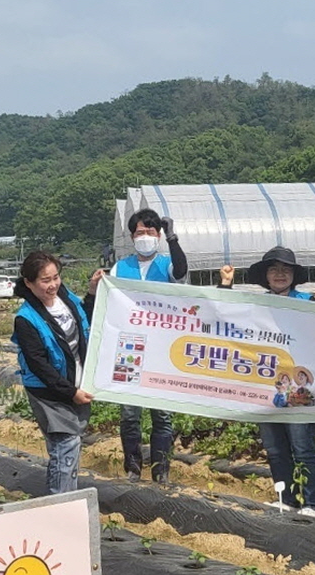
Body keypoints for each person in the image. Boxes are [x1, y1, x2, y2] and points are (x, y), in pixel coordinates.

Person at [218, 246, 315, 517]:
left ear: (294, 275)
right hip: (265, 386)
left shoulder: (308, 302)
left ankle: (311, 504)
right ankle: (286, 498)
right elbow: (223, 315)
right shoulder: (256, 305)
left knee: (303, 447)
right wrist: (225, 285)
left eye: (286, 270)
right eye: (274, 270)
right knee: (275, 448)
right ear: (266, 276)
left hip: (298, 387)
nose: (280, 275)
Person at [110, 208, 188, 482]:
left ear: (159, 235)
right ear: (132, 237)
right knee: (130, 415)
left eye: (150, 232)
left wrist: (173, 237)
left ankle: (160, 472)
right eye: (139, 233)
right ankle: (132, 469)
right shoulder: (121, 267)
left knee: (162, 415)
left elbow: (181, 270)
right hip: (129, 350)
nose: (145, 237)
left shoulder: (166, 264)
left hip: (161, 351)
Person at [13, 250, 93, 495]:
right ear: (29, 283)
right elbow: (40, 365)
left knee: (66, 447)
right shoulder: (25, 319)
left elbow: (87, 321)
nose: (53, 285)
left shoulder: (66, 298)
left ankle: (60, 494)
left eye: (55, 277)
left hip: (74, 383)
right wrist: (70, 393)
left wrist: (91, 292)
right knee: (66, 443)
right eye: (45, 281)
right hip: (48, 391)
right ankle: (63, 504)